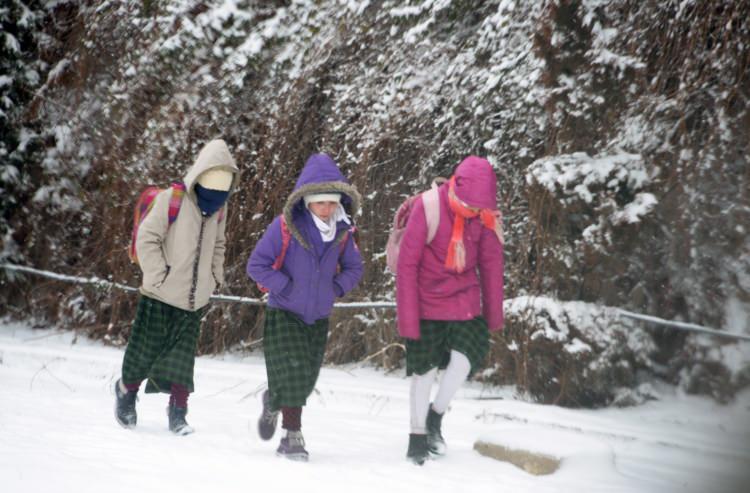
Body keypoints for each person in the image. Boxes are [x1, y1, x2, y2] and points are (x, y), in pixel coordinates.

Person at [114, 139, 239, 435]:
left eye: (223, 191)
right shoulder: (173, 199)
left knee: (182, 358)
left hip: (193, 300)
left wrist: (214, 277)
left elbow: (219, 244)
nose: (216, 196)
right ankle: (126, 393)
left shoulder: (220, 210)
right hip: (159, 294)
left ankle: (178, 412)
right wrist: (159, 275)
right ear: (199, 178)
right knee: (144, 351)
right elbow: (147, 238)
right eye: (212, 189)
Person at [247, 153, 363, 461]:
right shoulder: (284, 227)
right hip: (284, 311)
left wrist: (335, 288)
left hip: (318, 315)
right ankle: (291, 436)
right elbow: (256, 265)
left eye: (332, 202)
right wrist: (284, 285)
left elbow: (354, 268)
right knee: (295, 370)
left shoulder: (342, 232)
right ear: (306, 201)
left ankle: (274, 401)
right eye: (320, 202)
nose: (326, 209)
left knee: (307, 378)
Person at [396, 156, 504, 465]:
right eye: (470, 207)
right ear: (456, 190)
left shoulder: (485, 216)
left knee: (464, 359)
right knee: (424, 368)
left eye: (478, 209)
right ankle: (417, 435)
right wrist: (408, 318)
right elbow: (407, 264)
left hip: (464, 297)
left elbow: (491, 264)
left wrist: (493, 313)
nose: (473, 213)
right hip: (426, 297)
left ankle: (435, 417)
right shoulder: (428, 206)